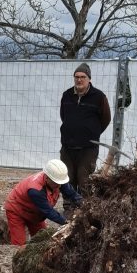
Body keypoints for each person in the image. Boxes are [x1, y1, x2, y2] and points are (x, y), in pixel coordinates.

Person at [60, 62, 111, 196]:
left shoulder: (99, 97)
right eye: (76, 77)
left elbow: (106, 119)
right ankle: (69, 209)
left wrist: (92, 132)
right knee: (67, 180)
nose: (79, 79)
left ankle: (82, 210)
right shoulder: (67, 95)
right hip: (68, 147)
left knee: (84, 181)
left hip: (88, 148)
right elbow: (63, 116)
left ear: (89, 79)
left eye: (83, 76)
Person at [4, 159, 81, 247]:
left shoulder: (58, 179)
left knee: (43, 240)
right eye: (57, 183)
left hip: (35, 213)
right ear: (47, 178)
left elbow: (72, 194)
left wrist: (86, 205)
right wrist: (68, 222)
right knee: (19, 245)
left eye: (61, 183)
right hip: (16, 210)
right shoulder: (35, 190)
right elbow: (49, 211)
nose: (59, 186)